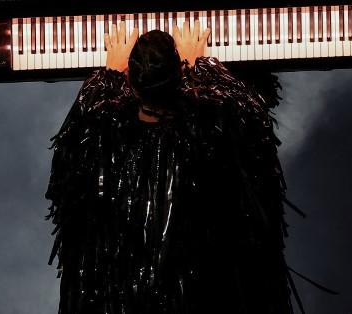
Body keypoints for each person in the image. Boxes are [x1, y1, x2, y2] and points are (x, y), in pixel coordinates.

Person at [45, 20, 294, 313]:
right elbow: (252, 122)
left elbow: (73, 150)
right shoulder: (209, 138)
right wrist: (202, 64)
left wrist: (110, 72)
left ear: (131, 82)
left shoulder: (103, 138)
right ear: (180, 76)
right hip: (201, 297)